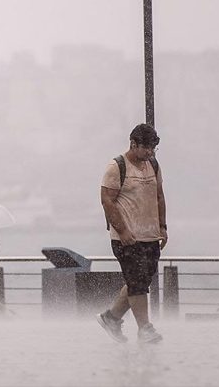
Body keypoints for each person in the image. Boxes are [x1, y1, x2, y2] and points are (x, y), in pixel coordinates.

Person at [97, 123, 167, 344]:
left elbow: (159, 196)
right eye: (146, 148)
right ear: (133, 144)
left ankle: (111, 318)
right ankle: (145, 328)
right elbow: (107, 201)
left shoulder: (153, 165)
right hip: (126, 237)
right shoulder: (117, 167)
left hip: (150, 235)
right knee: (136, 281)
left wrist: (163, 227)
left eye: (153, 149)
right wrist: (123, 230)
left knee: (140, 281)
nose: (150, 153)